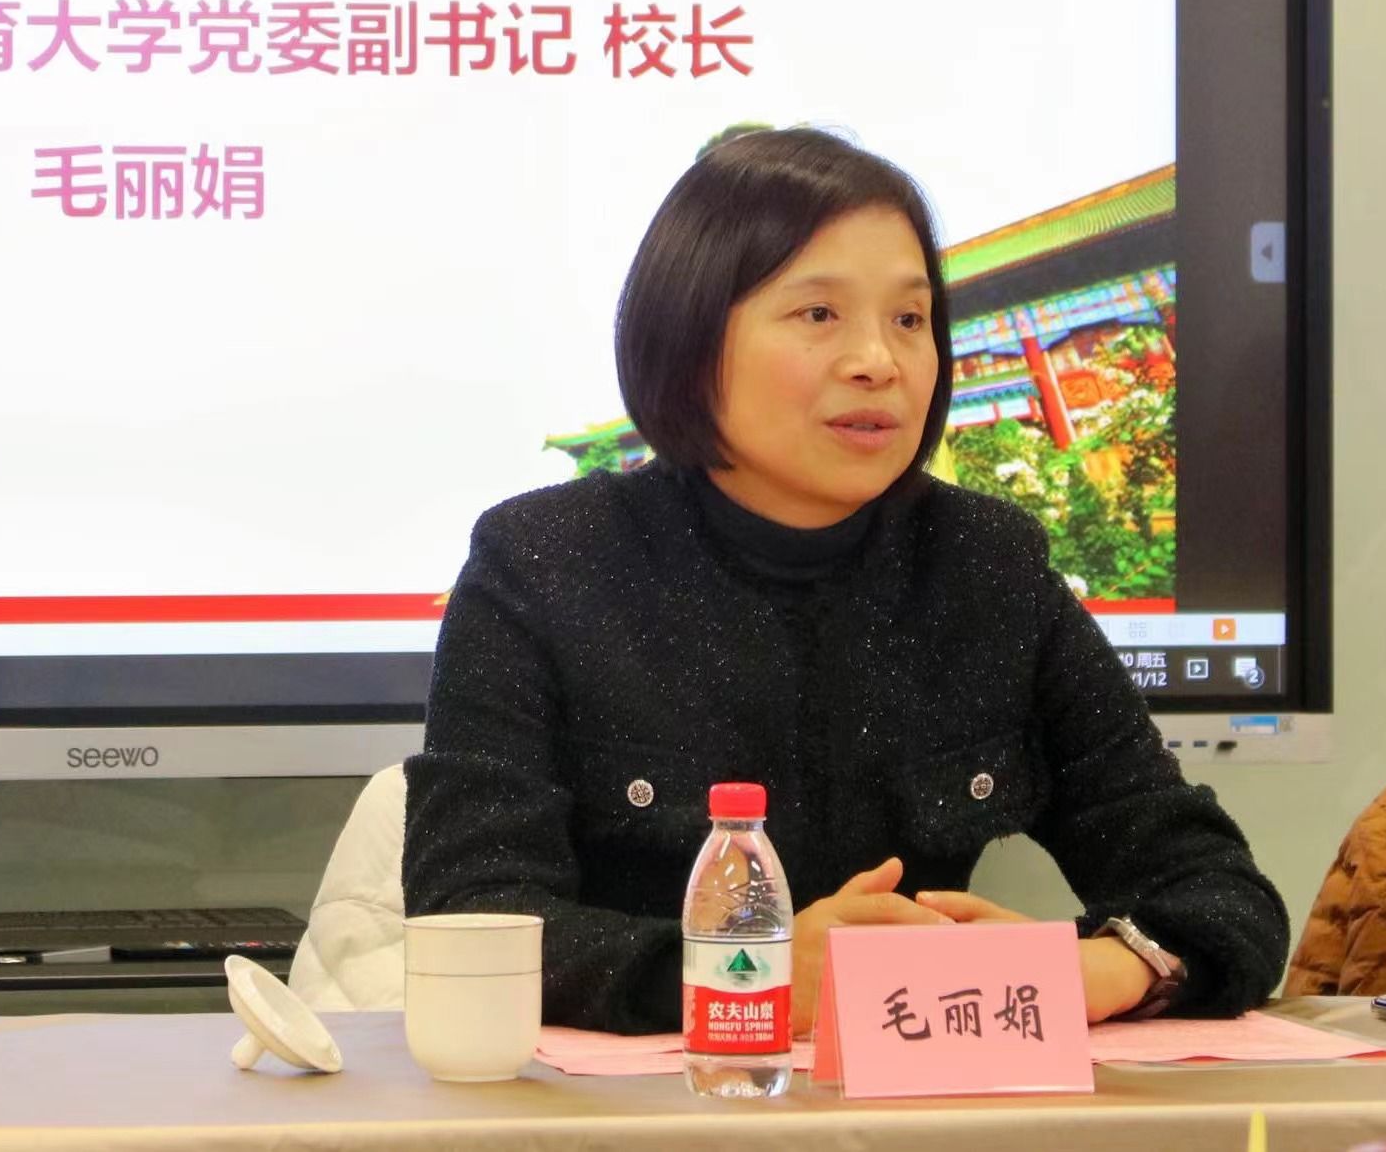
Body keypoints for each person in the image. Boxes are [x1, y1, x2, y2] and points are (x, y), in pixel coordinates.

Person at [403, 127, 1289, 1035]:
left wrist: (1092, 969)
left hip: (924, 1093)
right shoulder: (547, 561)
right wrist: (748, 976)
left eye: (909, 320)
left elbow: (1223, 897)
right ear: (689, 340)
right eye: (819, 314)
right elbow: (469, 917)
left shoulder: (989, 566)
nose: (880, 361)